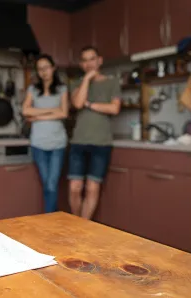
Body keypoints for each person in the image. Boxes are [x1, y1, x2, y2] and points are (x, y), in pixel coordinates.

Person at [68, 46, 122, 220]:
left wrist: (90, 105)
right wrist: (86, 80)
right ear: (81, 64)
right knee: (74, 187)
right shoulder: (76, 83)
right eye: (84, 60)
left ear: (100, 60)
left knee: (92, 188)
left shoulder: (112, 82)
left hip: (101, 142)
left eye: (92, 59)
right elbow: (77, 103)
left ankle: (83, 226)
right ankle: (77, 224)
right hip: (78, 141)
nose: (88, 63)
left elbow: (114, 108)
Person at [22, 54, 68, 213]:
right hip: (38, 144)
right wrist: (52, 110)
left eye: (46, 67)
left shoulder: (62, 89)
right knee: (47, 184)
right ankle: (52, 219)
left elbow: (64, 113)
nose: (44, 71)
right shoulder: (33, 89)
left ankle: (50, 220)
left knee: (51, 185)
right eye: (40, 69)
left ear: (53, 68)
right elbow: (25, 110)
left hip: (58, 144)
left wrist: (37, 117)